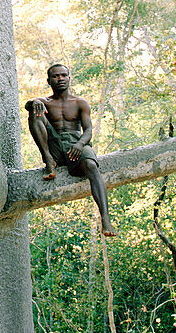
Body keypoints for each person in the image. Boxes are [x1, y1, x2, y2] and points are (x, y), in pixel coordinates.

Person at [25, 63, 116, 236]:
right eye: (55, 76)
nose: (60, 79)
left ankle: (105, 219)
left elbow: (88, 130)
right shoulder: (44, 102)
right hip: (54, 145)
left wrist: (80, 144)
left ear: (69, 78)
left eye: (63, 75)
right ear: (48, 80)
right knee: (35, 113)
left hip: (76, 143)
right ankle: (49, 161)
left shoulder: (80, 103)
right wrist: (33, 102)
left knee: (91, 165)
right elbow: (28, 106)